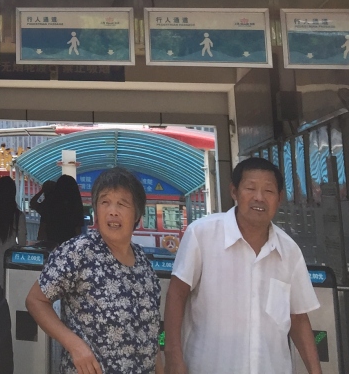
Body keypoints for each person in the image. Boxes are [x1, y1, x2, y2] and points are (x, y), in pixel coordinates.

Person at [164, 156, 323, 374]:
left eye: (268, 191)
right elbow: (177, 294)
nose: (259, 197)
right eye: (250, 188)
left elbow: (298, 318)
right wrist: (173, 357)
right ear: (234, 192)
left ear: (279, 198)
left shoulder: (289, 251)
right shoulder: (202, 234)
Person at [26, 167, 162, 374]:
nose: (112, 211)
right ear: (96, 211)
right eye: (105, 202)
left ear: (137, 214)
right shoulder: (78, 252)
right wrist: (74, 345)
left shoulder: (144, 264)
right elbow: (35, 301)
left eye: (122, 204)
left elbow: (152, 337)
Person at [32, 174, 85, 248]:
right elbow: (78, 230)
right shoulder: (75, 205)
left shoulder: (50, 203)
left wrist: (43, 190)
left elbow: (33, 204)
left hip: (51, 244)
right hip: (68, 246)